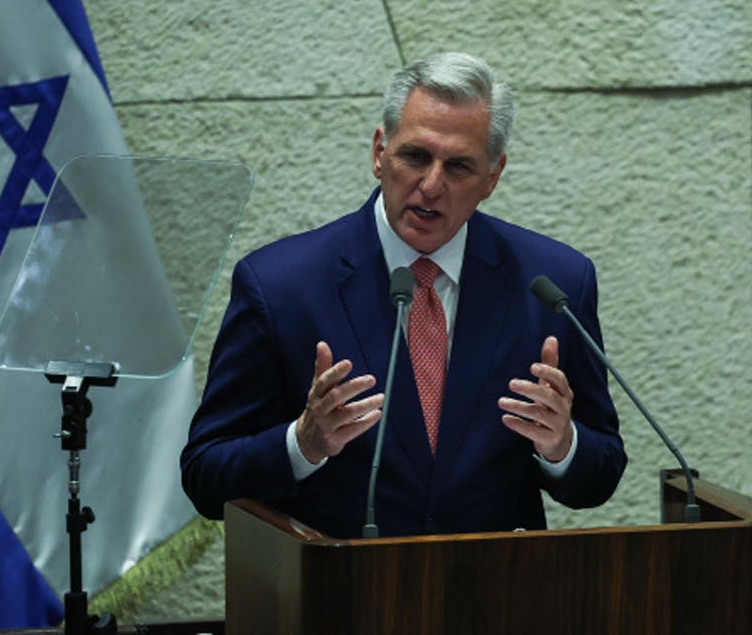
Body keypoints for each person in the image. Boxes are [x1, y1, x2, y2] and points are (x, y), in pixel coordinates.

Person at [180, 52, 626, 538]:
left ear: (493, 177)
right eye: (415, 156)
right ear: (379, 152)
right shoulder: (280, 286)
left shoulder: (554, 284)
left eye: (458, 166)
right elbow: (205, 477)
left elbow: (599, 475)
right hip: (340, 595)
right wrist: (302, 444)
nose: (431, 185)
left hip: (497, 597)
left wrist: (561, 446)